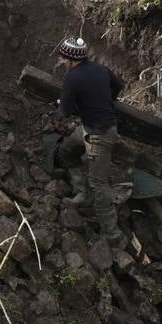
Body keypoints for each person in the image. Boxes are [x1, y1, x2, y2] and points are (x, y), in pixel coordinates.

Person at [56, 35, 128, 242]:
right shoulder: (101, 69)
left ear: (71, 59)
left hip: (100, 135)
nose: (61, 62)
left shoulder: (71, 77)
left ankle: (112, 233)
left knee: (99, 184)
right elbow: (118, 87)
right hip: (89, 129)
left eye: (63, 58)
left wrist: (61, 108)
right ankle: (80, 193)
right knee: (67, 151)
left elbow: (66, 110)